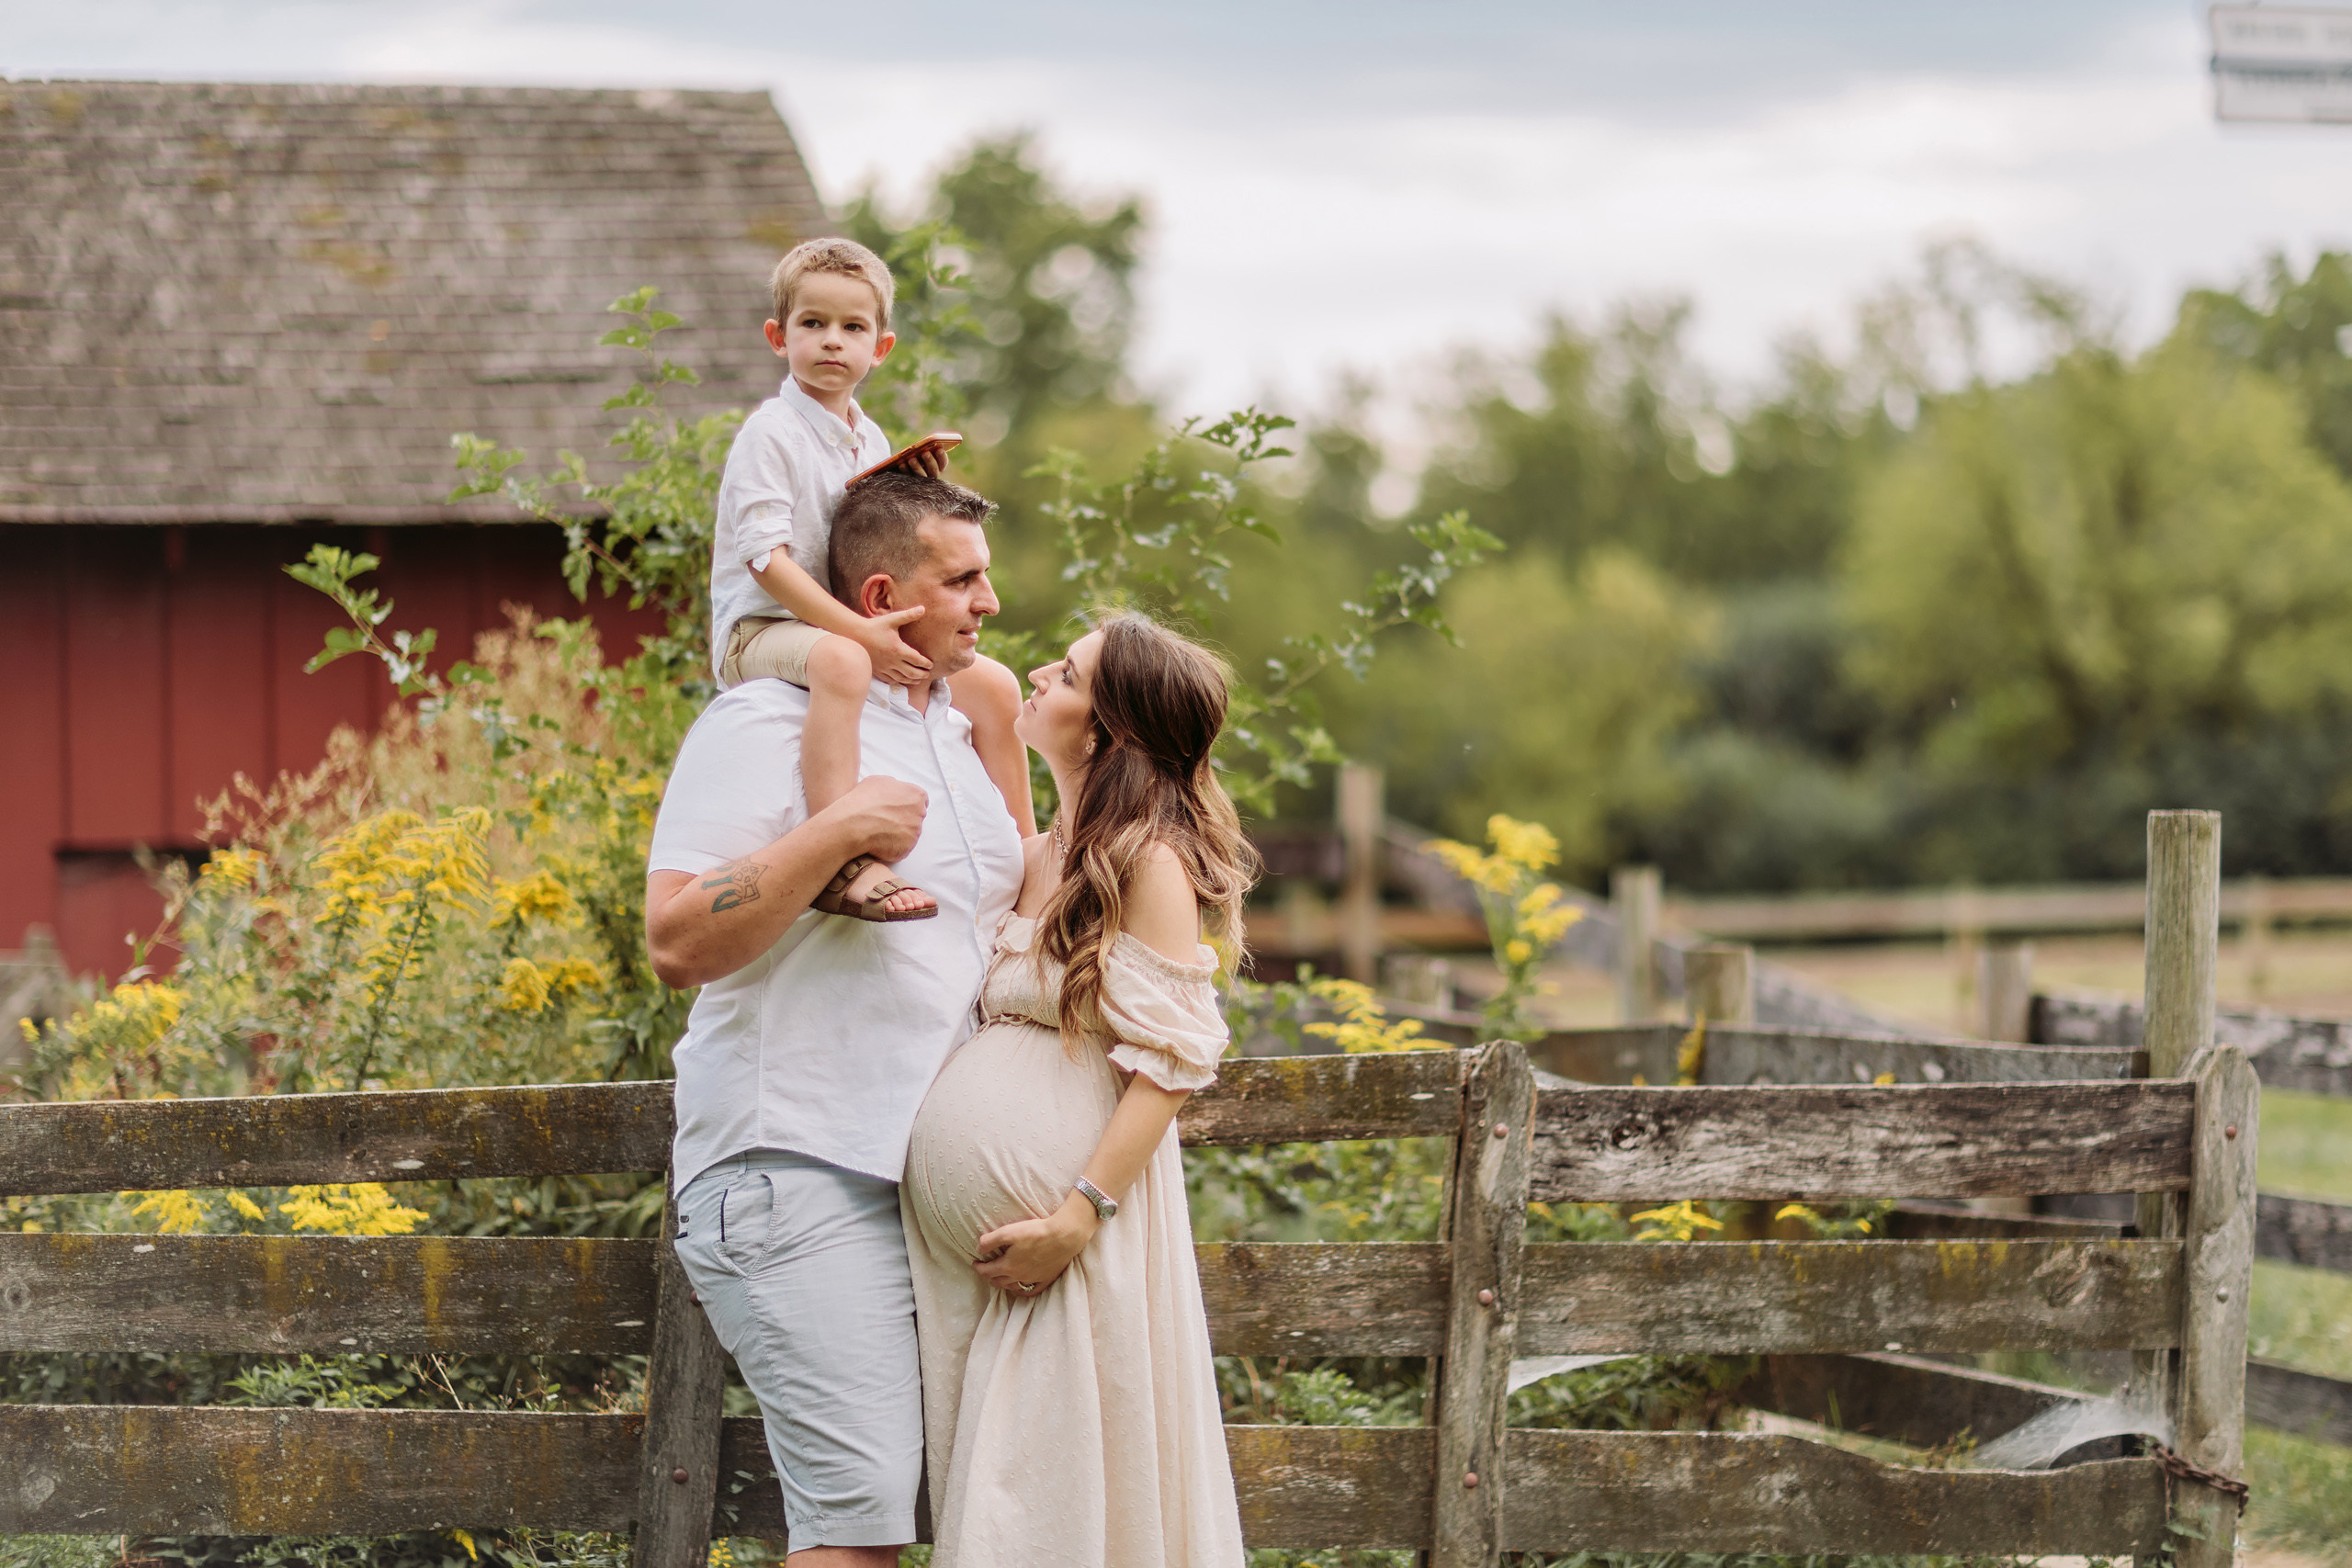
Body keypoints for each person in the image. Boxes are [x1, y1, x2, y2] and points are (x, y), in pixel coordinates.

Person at [646, 473, 1027, 1566]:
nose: (988, 602)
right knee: (857, 1522)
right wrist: (838, 831)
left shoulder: (957, 736)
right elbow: (674, 940)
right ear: (881, 593)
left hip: (925, 1190)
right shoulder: (765, 719)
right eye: (962, 579)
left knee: (926, 1515)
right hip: (795, 1165)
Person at [900, 611, 1259, 1567]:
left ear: (1103, 730)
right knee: (1018, 1494)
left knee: (1045, 1506)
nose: (1036, 678)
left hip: (1074, 1238)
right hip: (994, 1263)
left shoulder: (1147, 861)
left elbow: (1174, 1061)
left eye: (1064, 675)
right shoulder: (1041, 855)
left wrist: (1078, 1213)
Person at [708, 236, 1031, 922]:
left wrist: (905, 483)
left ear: (879, 348)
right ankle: (843, 853)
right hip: (762, 627)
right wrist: (856, 631)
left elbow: (867, 527)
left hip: (843, 616)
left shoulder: (867, 436)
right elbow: (764, 560)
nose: (832, 342)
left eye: (852, 327)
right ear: (778, 336)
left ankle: (1026, 859)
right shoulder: (770, 435)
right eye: (812, 324)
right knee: (846, 662)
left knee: (992, 683)